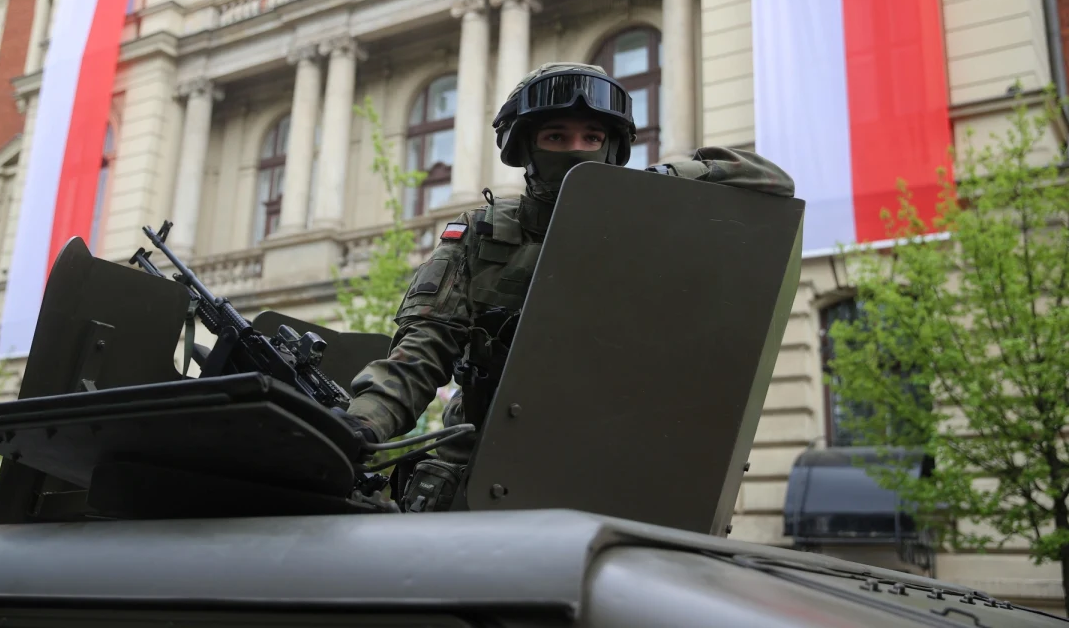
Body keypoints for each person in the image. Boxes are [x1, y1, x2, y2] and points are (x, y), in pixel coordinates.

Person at [339, 62, 795, 511]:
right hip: (481, 474)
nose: (576, 151)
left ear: (611, 149)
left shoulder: (648, 234)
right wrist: (360, 426)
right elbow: (422, 351)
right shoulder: (482, 236)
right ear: (525, 147)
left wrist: (661, 181)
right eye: (556, 137)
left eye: (592, 138)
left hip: (610, 477)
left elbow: (773, 181)